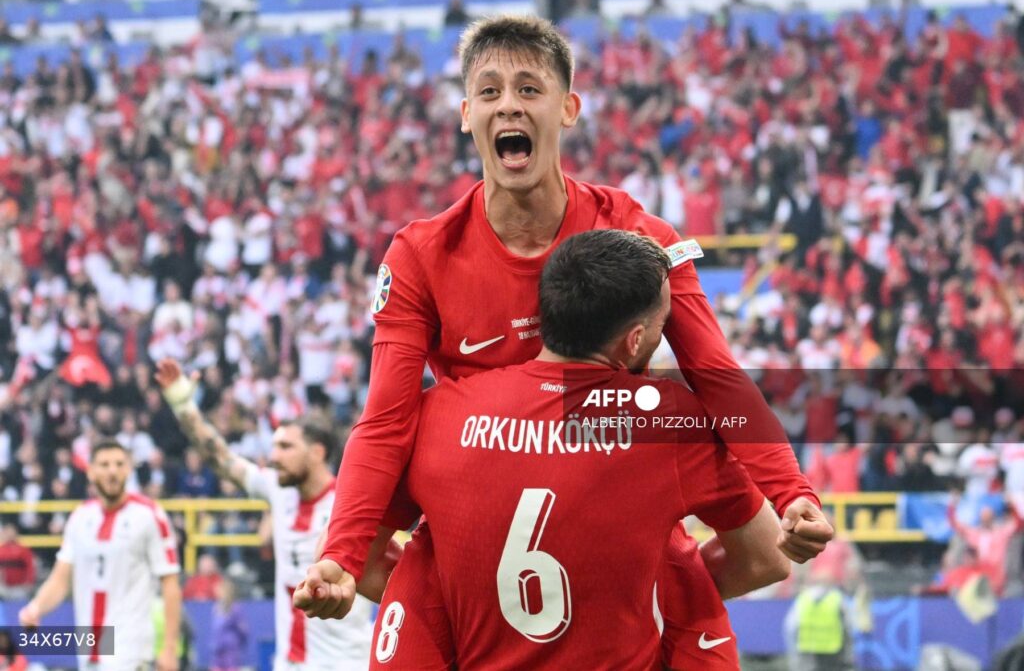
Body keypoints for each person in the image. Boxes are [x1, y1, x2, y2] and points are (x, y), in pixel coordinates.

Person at [299, 14, 831, 670]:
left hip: (616, 500)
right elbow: (384, 420)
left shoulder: (637, 238)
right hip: (478, 500)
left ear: (568, 108)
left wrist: (792, 492)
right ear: (466, 115)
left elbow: (717, 375)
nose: (509, 104)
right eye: (489, 92)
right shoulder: (420, 254)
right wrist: (342, 556)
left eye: (529, 87)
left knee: (756, 546)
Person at [368, 230, 791, 666]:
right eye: (664, 326)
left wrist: (463, 596)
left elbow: (361, 557)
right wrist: (643, 591)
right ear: (633, 340)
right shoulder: (664, 420)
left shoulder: (438, 411)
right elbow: (765, 558)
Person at [155, 360, 384, 670]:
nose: (274, 457)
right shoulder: (278, 491)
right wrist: (183, 405)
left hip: (345, 663)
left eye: (286, 447)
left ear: (317, 453)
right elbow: (222, 459)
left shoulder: (352, 505)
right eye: (274, 446)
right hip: (288, 663)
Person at [18, 441, 181, 671]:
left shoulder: (150, 515)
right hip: (90, 646)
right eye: (104, 464)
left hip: (130, 646)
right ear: (91, 471)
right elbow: (60, 578)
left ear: (128, 469)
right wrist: (35, 608)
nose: (112, 471)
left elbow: (170, 582)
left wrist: (170, 648)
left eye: (119, 464)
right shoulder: (80, 517)